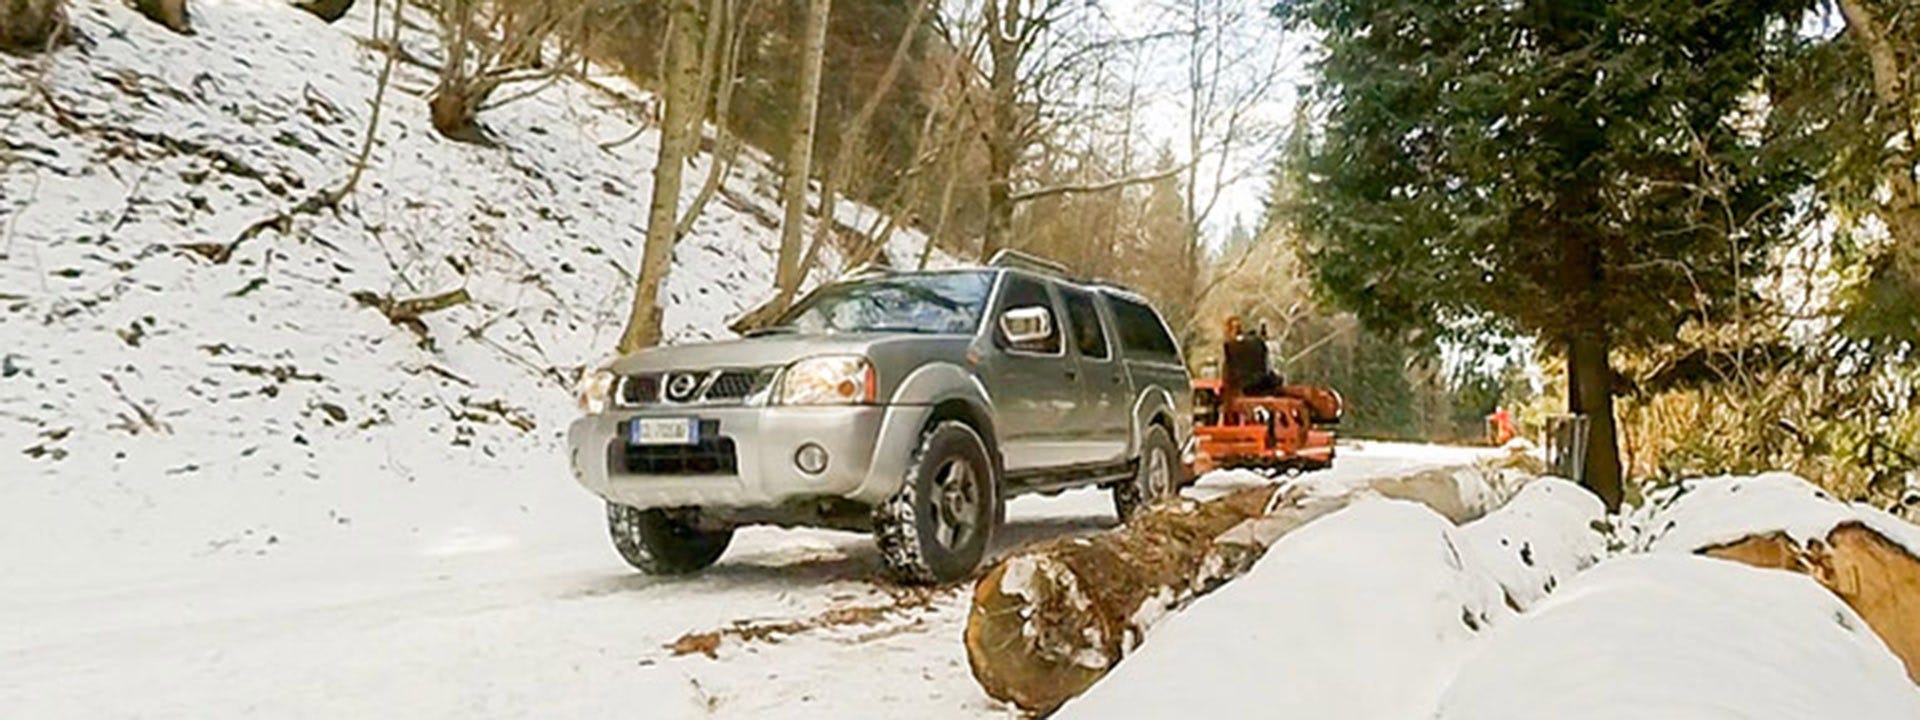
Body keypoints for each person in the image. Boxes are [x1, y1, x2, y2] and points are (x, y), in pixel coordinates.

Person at [1222, 316, 1284, 396]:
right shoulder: (1256, 341)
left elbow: (1229, 374)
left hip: (1245, 387)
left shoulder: (1231, 346)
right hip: (1262, 382)